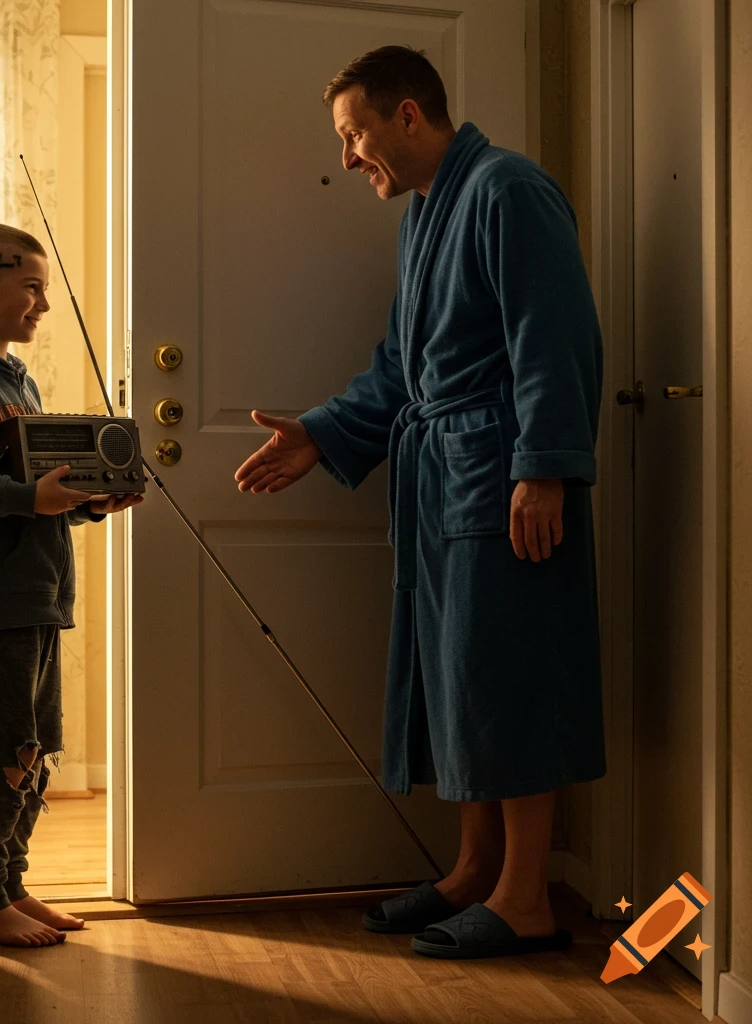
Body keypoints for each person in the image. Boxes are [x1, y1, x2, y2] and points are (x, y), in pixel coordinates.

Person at [234, 46, 605, 960]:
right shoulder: (427, 216)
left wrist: (544, 468)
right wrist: (322, 431)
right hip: (445, 473)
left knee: (510, 673)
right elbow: (402, 367)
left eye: (355, 133)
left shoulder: (509, 190)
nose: (350, 155)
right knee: (462, 677)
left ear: (409, 116)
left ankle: (526, 898)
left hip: (505, 473)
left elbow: (552, 334)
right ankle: (475, 869)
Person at [0, 222, 142, 948]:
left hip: (39, 593)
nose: (43, 303)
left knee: (35, 746)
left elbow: (29, 491)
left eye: (44, 288)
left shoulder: (20, 381)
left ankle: (9, 882)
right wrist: (26, 500)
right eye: (32, 288)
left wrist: (88, 502)